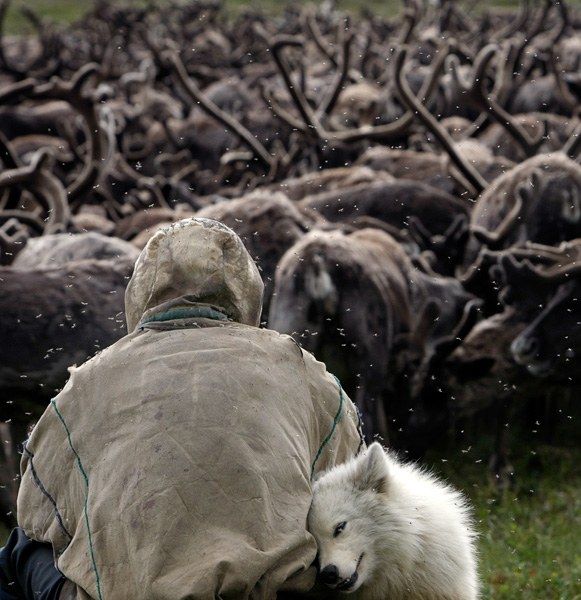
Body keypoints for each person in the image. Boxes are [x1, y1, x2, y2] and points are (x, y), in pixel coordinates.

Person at [4, 217, 364, 599]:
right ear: (245, 290)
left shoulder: (88, 382)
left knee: (21, 550)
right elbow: (347, 475)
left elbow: (38, 507)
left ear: (142, 291)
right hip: (274, 592)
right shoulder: (297, 366)